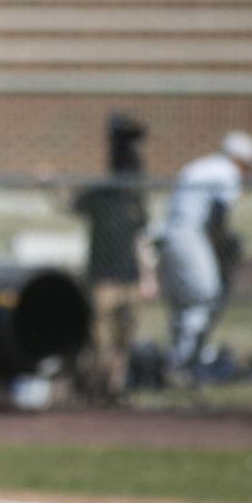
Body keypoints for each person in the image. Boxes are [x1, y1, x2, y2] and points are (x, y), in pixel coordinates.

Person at [156, 130, 252, 384]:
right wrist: (222, 247)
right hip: (190, 235)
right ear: (242, 159)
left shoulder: (201, 166)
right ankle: (186, 362)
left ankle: (178, 357)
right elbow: (217, 215)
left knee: (182, 302)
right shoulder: (227, 172)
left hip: (167, 234)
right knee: (205, 295)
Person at [72, 113, 150, 402]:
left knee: (123, 340)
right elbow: (71, 204)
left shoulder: (134, 198)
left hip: (129, 277)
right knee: (100, 340)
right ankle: (98, 389)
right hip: (103, 277)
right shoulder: (102, 195)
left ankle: (116, 389)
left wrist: (147, 277)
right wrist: (49, 184)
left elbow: (142, 238)